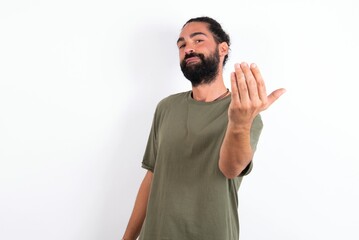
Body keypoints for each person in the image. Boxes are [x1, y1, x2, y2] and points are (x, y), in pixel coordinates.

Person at [122, 16, 285, 240]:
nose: (188, 48)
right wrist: (127, 238)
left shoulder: (244, 113)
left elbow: (231, 169)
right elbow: (152, 175)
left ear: (223, 49)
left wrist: (239, 122)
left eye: (198, 40)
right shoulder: (166, 107)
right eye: (182, 45)